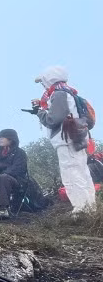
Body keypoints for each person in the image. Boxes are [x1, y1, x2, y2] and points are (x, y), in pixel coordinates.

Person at [34, 66, 96, 214]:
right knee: (81, 171)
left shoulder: (58, 93)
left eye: (43, 81)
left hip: (65, 139)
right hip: (76, 137)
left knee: (71, 172)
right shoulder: (69, 92)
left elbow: (54, 119)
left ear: (50, 79)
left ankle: (81, 208)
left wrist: (39, 113)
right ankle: (89, 207)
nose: (43, 85)